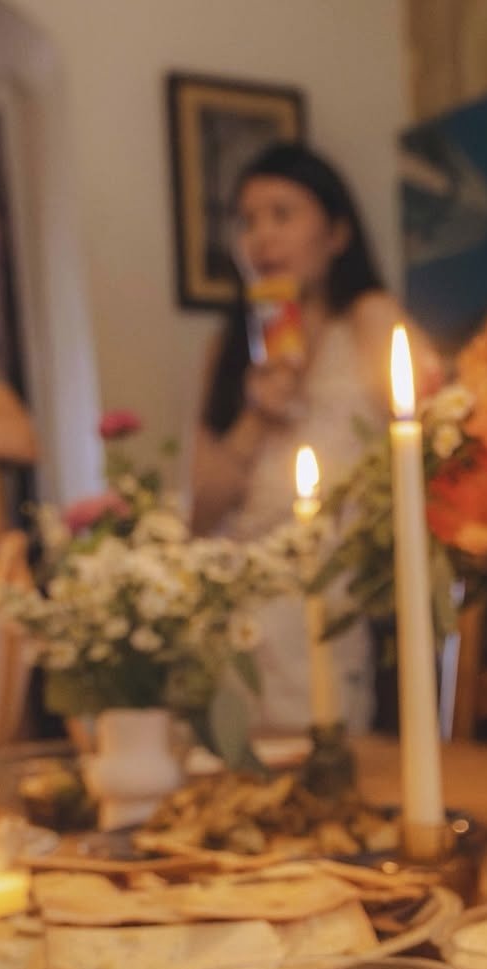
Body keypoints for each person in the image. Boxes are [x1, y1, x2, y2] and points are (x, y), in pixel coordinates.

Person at [191, 142, 440, 735]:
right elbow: (198, 510)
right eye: (248, 222)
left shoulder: (369, 319)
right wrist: (258, 416)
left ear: (336, 233)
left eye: (283, 214)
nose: (262, 238)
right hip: (234, 589)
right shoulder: (227, 351)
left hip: (330, 591)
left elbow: (437, 427)